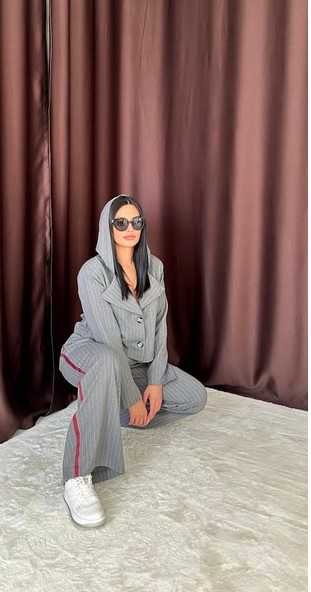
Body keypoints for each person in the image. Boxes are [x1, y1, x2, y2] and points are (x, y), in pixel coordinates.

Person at [59, 195, 207, 527]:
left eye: (136, 221)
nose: (130, 228)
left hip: (135, 362)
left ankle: (105, 409)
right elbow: (107, 337)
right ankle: (76, 477)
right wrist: (131, 397)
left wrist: (155, 381)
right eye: (121, 222)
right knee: (108, 363)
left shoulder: (154, 267)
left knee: (194, 397)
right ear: (107, 227)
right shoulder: (92, 272)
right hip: (89, 351)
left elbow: (160, 326)